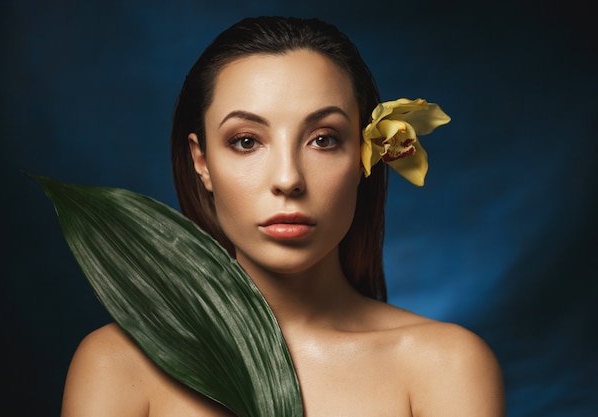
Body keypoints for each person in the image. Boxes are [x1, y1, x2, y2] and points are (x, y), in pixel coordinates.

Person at [60, 16, 505, 416]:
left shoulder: (446, 365)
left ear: (366, 157)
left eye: (324, 139)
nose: (289, 179)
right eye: (246, 141)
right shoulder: (117, 364)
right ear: (202, 162)